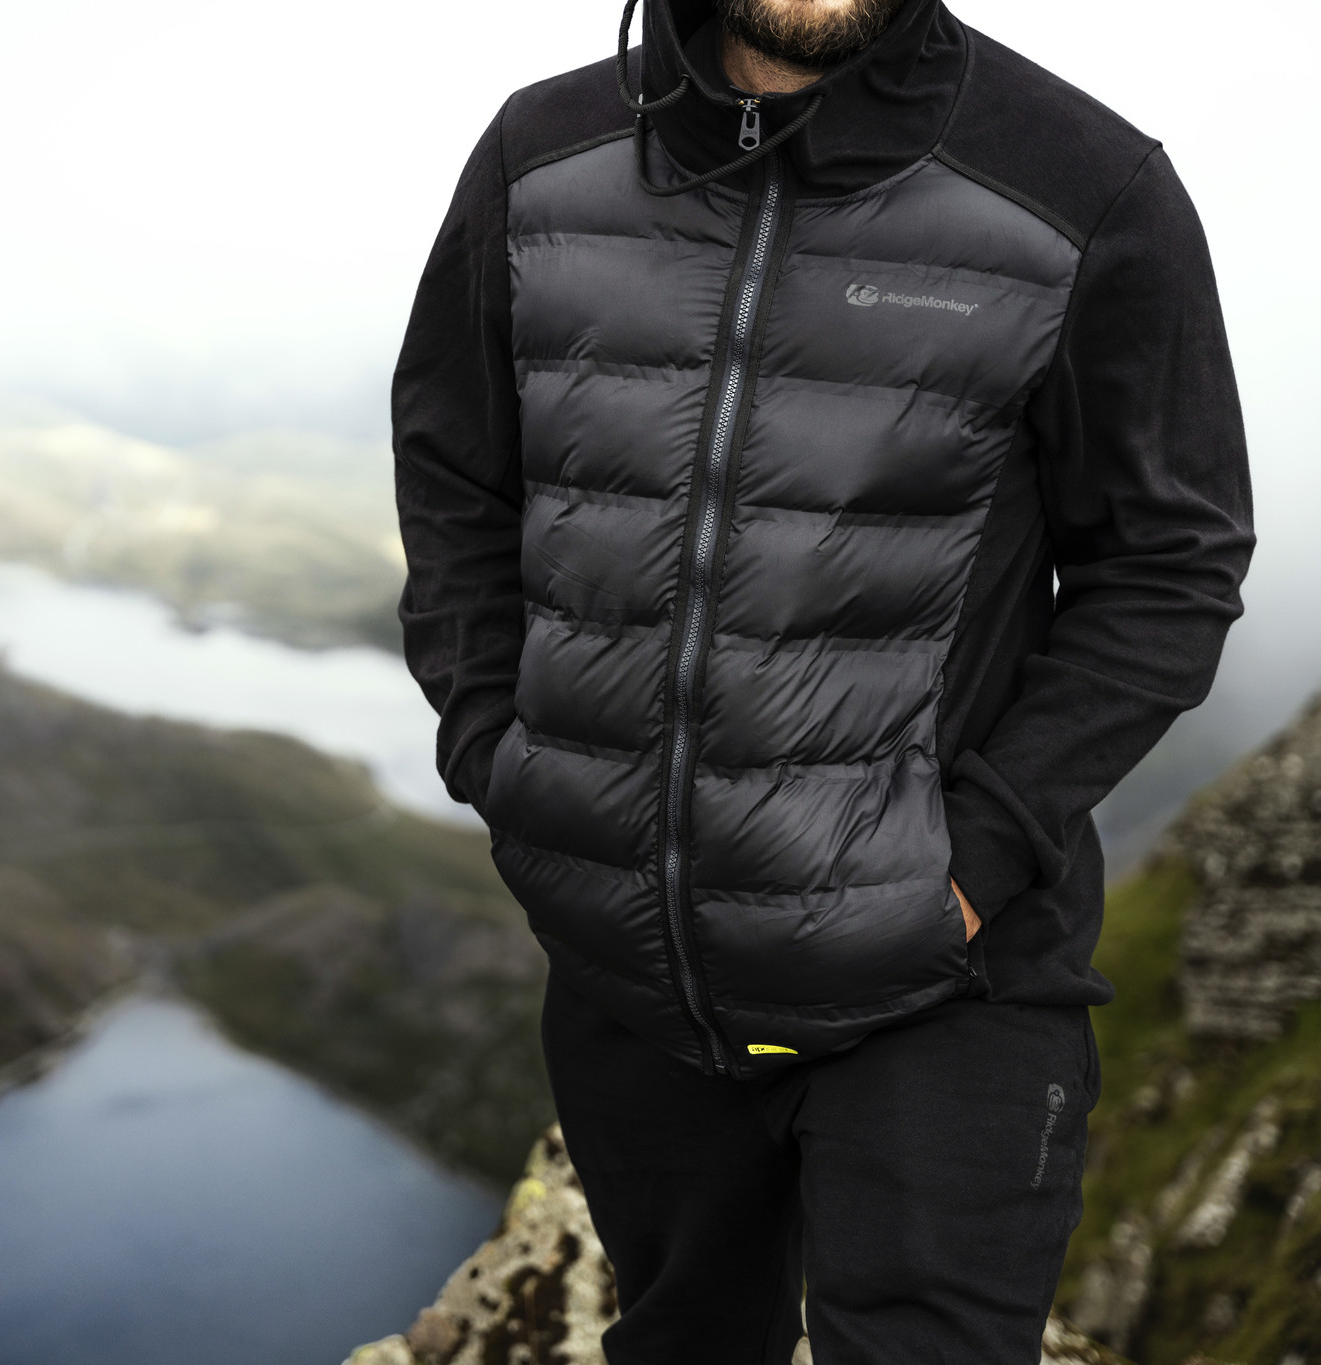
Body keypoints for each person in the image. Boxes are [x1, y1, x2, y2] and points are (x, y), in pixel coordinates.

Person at [392, 0, 1254, 1360]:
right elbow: (454, 469)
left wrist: (973, 860)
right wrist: (503, 758)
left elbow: (1170, 563)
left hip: (944, 981)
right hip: (631, 978)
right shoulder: (540, 153)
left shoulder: (1086, 187)